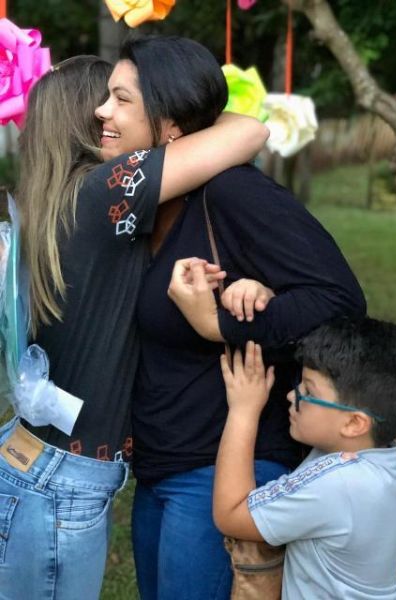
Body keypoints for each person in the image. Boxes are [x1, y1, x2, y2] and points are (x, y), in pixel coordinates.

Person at [0, 49, 268, 599]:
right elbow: (250, 131)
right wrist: (174, 112)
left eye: (122, 101)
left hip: (33, 457)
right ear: (89, 119)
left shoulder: (49, 200)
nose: (110, 111)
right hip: (61, 482)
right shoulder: (105, 191)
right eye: (107, 100)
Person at [119, 36, 367, 599]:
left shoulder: (232, 193)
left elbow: (338, 299)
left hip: (224, 468)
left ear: (170, 123)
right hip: (161, 468)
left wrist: (221, 325)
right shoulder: (142, 206)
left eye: (121, 99)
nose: (102, 112)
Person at [211, 318, 396, 600]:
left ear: (354, 423)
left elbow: (230, 515)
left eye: (309, 392)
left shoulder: (340, 483)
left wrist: (243, 411)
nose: (292, 395)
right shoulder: (382, 460)